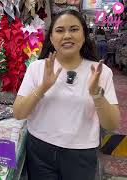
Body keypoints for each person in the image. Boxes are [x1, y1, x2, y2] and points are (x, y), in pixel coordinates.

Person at [13, 10, 121, 180]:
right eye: (60, 30)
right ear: (51, 38)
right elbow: (18, 113)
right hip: (40, 150)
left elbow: (112, 124)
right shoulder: (37, 68)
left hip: (81, 154)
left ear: (84, 35)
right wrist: (43, 87)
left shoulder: (100, 72)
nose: (67, 35)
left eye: (74, 29)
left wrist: (96, 94)